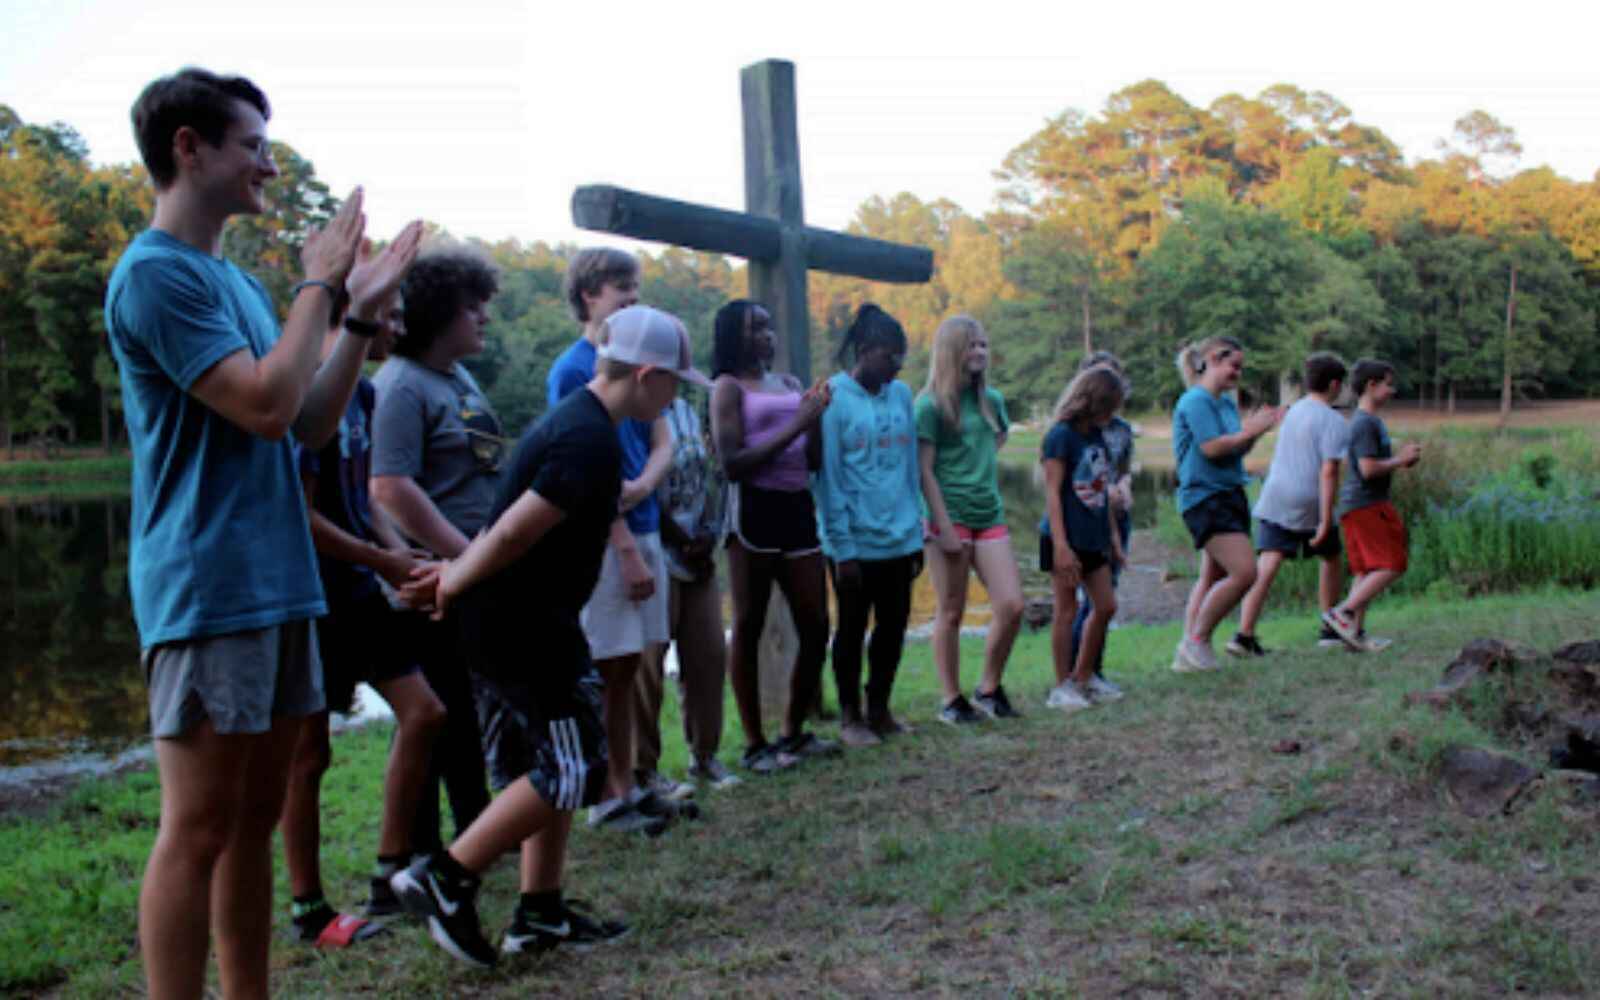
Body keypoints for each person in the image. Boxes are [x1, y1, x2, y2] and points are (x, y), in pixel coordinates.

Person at [105, 67, 420, 999]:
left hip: (282, 582)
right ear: (187, 148)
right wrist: (321, 284)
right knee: (197, 827)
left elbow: (313, 422)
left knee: (252, 820)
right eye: (252, 145)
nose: (270, 167)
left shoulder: (236, 282)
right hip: (207, 588)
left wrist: (359, 313)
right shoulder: (154, 275)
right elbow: (264, 406)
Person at [392, 305, 708, 967]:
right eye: (674, 383)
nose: (676, 397)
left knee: (556, 760)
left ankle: (540, 912)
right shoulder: (586, 441)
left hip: (530, 622)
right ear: (645, 376)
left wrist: (454, 570)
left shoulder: (582, 423)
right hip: (523, 629)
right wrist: (452, 585)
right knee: (577, 767)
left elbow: (500, 520)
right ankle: (445, 879)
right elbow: (511, 532)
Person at [279, 293, 446, 948]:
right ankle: (309, 911)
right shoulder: (304, 394)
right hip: (310, 596)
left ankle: (388, 874)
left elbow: (362, 496)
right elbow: (303, 516)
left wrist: (398, 555)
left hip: (360, 591)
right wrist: (382, 558)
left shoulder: (368, 396)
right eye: (393, 315)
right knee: (308, 754)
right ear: (347, 313)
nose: (401, 329)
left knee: (425, 711)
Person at [369, 248, 500, 859]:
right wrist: (466, 553)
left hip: (468, 574)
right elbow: (389, 485)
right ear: (438, 311)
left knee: (464, 710)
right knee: (434, 712)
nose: (483, 318)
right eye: (472, 307)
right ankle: (418, 850)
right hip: (429, 578)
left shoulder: (458, 379)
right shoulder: (398, 384)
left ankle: (475, 830)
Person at [547, 248, 681, 833]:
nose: (630, 297)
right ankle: (606, 795)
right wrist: (620, 536)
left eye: (635, 287)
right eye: (617, 288)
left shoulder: (643, 357)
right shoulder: (575, 369)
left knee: (632, 667)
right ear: (586, 297)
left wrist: (639, 487)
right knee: (606, 666)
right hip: (606, 540)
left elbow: (663, 440)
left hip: (644, 522)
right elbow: (578, 472)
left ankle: (628, 781)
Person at [709, 299, 836, 773]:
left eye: (768, 325)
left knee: (816, 625)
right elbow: (732, 464)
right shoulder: (726, 388)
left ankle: (793, 733)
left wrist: (815, 417)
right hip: (754, 514)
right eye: (755, 327)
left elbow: (814, 459)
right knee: (749, 624)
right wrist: (797, 423)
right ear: (733, 337)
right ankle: (755, 744)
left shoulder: (788, 384)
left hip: (798, 508)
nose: (768, 334)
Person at [814, 304, 923, 745]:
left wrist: (917, 531)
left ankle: (880, 709)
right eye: (888, 355)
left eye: (901, 356)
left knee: (893, 628)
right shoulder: (833, 399)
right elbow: (829, 478)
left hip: (900, 537)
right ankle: (850, 717)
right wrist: (842, 549)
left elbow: (910, 468)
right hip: (854, 543)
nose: (896, 365)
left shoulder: (901, 396)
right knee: (852, 629)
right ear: (863, 351)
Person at [916, 316, 1025, 725]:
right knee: (951, 612)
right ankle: (950, 700)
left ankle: (989, 688)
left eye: (983, 345)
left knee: (1012, 605)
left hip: (989, 513)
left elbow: (996, 440)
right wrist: (942, 528)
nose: (979, 352)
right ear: (951, 351)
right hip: (949, 517)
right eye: (971, 345)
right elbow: (923, 470)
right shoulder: (928, 405)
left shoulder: (992, 401)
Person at [633, 390, 740, 790]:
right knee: (649, 662)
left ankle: (705, 756)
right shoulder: (638, 411)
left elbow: (707, 476)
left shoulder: (685, 410)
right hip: (658, 550)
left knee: (709, 654)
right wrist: (679, 539)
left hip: (699, 552)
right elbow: (640, 484)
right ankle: (644, 769)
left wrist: (709, 533)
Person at [1171, 337, 1282, 672]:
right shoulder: (1195, 401)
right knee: (1246, 572)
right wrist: (1251, 429)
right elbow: (1212, 448)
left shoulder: (1224, 403)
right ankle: (1197, 641)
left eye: (1241, 367)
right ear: (1212, 360)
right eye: (1233, 364)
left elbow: (1236, 450)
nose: (1238, 372)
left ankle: (1186, 651)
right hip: (1205, 498)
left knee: (1212, 575)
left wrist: (1257, 432)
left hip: (1229, 492)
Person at [1229, 352, 1350, 657]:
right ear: (1335, 385)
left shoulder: (1293, 411)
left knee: (1268, 562)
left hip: (1276, 493)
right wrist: (1324, 519)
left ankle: (1243, 635)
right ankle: (1330, 627)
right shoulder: (1334, 420)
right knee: (1331, 557)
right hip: (1309, 498)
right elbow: (1329, 470)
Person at [1040, 367, 1127, 712]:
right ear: (1092, 400)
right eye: (1109, 406)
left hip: (1094, 537)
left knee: (1106, 606)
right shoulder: (1060, 436)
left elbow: (1101, 490)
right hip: (1064, 537)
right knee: (1066, 610)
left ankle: (1084, 676)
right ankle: (1061, 687)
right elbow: (1052, 494)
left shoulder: (1097, 437)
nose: (1111, 415)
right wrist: (1061, 546)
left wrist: (1114, 539)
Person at [1326, 359, 1422, 650]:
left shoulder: (1366, 421)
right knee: (1393, 563)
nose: (1392, 391)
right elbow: (1367, 469)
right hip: (1367, 504)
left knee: (1366, 571)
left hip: (1356, 506)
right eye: (1388, 384)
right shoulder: (1365, 423)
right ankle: (1342, 613)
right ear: (1371, 385)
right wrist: (1401, 460)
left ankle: (1353, 634)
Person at [1066, 352, 1136, 700]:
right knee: (1088, 602)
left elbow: (1122, 469)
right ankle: (1077, 672)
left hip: (1116, 520)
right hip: (1085, 524)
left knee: (1106, 599)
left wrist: (1123, 489)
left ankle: (1094, 670)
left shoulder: (1121, 430)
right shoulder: (1073, 433)